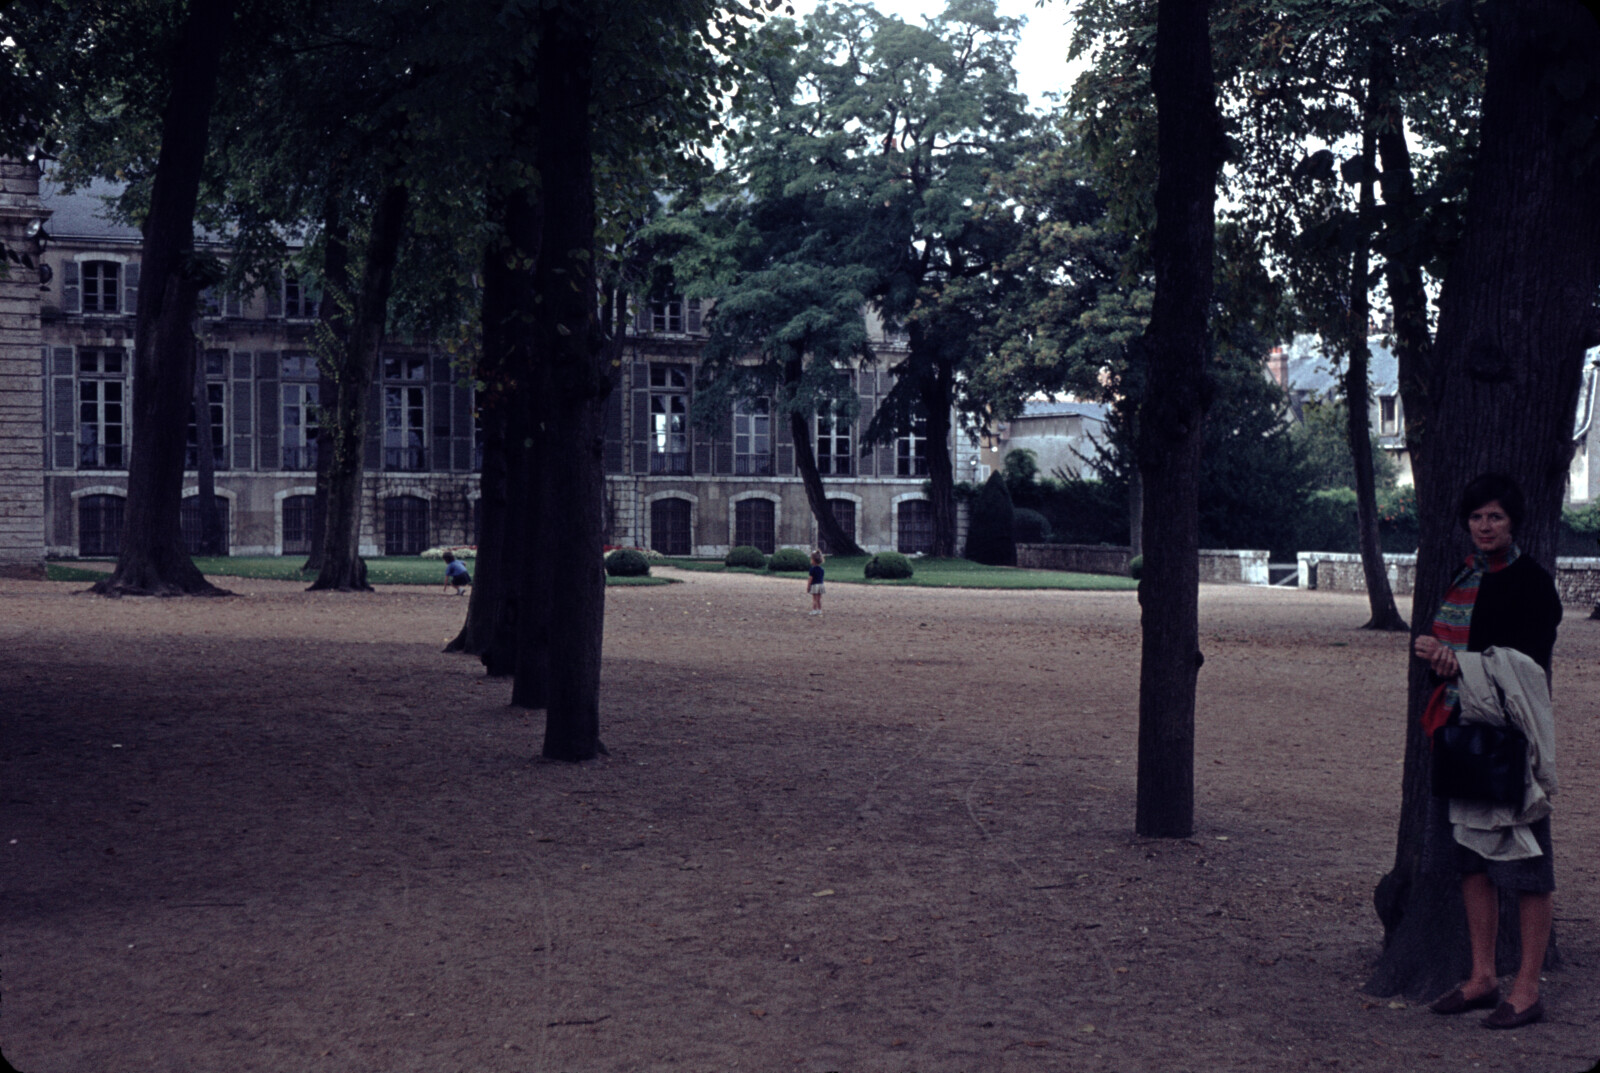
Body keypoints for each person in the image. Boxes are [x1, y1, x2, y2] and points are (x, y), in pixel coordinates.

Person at [1415, 473, 1562, 1030]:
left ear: (1513, 522)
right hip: (1460, 731)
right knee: (1471, 860)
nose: (1485, 526)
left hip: (1509, 740)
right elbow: (1456, 647)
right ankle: (1482, 977)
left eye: (1495, 517)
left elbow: (1527, 669)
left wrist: (1460, 662)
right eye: (1477, 518)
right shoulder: (1463, 576)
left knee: (1526, 861)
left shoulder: (1532, 584)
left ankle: (1527, 989)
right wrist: (1439, 656)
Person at [806, 550, 825, 616]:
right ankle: (819, 610)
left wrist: (808, 586)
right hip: (820, 585)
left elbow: (810, 578)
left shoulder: (812, 569)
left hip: (814, 585)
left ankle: (814, 610)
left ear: (813, 560)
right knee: (819, 599)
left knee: (814, 599)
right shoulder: (822, 569)